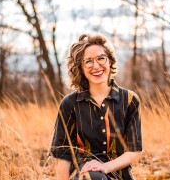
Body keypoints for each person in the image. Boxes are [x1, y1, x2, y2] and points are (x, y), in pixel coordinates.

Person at [51, 33, 142, 180]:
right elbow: (63, 155)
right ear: (80, 67)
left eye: (101, 58)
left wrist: (106, 167)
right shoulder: (70, 104)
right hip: (84, 174)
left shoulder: (129, 100)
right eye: (88, 61)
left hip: (119, 174)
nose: (96, 66)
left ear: (110, 61)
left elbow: (134, 151)